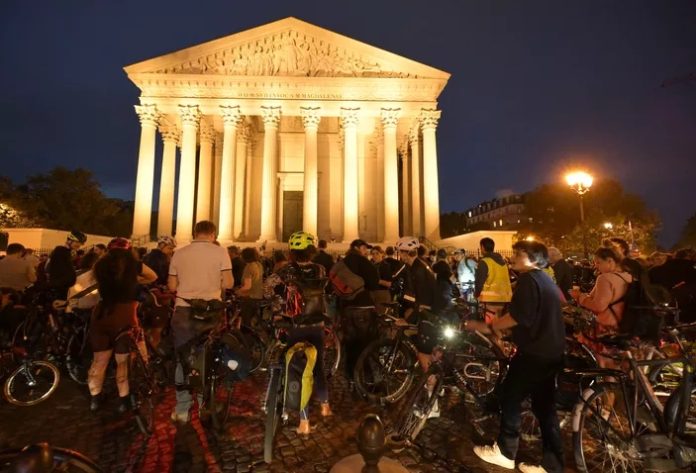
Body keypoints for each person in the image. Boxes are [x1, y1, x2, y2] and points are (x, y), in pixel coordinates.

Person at [466, 241, 565, 473]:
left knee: (510, 397)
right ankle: (553, 464)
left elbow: (519, 316)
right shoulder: (545, 280)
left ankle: (505, 451)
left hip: (535, 354)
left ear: (531, 259)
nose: (513, 257)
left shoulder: (529, 280)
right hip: (552, 351)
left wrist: (486, 326)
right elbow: (535, 315)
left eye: (518, 253)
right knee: (545, 408)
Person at [167, 221, 233, 422]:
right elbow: (229, 283)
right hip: (209, 310)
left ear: (195, 233)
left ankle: (182, 409)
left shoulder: (179, 253)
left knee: (183, 356)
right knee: (209, 355)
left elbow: (171, 285)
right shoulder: (220, 252)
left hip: (184, 309)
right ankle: (206, 402)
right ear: (213, 234)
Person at [269, 231, 332, 434]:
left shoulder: (286, 271)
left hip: (296, 326)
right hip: (317, 324)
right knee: (317, 365)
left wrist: (278, 301)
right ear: (312, 251)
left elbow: (268, 287)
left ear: (292, 252)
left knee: (298, 369)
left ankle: (304, 421)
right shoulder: (320, 269)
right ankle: (325, 405)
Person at [87, 238, 157, 412]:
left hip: (102, 314)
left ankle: (95, 398)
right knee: (123, 361)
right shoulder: (134, 264)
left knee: (99, 360)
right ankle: (123, 399)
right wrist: (135, 282)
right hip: (125, 315)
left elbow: (93, 283)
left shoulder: (100, 265)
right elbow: (153, 276)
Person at [340, 239, 381, 384]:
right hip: (363, 307)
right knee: (367, 342)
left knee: (351, 343)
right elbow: (374, 282)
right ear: (358, 247)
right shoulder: (363, 262)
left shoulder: (343, 262)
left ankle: (351, 375)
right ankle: (368, 376)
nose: (366, 251)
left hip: (347, 307)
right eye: (365, 248)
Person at [572, 247, 633, 335]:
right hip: (625, 325)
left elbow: (598, 306)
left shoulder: (605, 278)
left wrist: (579, 296)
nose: (596, 265)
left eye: (598, 262)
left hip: (606, 327)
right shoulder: (628, 276)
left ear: (610, 261)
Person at [475, 237, 512, 320]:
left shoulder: (484, 262)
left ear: (482, 247)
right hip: (505, 299)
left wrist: (476, 295)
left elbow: (479, 282)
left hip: (490, 300)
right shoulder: (503, 262)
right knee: (499, 326)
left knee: (491, 327)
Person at [46, 230, 87, 299]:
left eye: (80, 243)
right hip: (58, 290)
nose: (79, 245)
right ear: (69, 241)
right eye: (76, 242)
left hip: (62, 289)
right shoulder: (61, 252)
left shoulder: (66, 253)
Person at [235, 247, 265, 326]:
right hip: (258, 297)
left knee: (246, 324)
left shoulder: (248, 267)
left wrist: (237, 291)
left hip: (249, 298)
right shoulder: (259, 265)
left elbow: (247, 286)